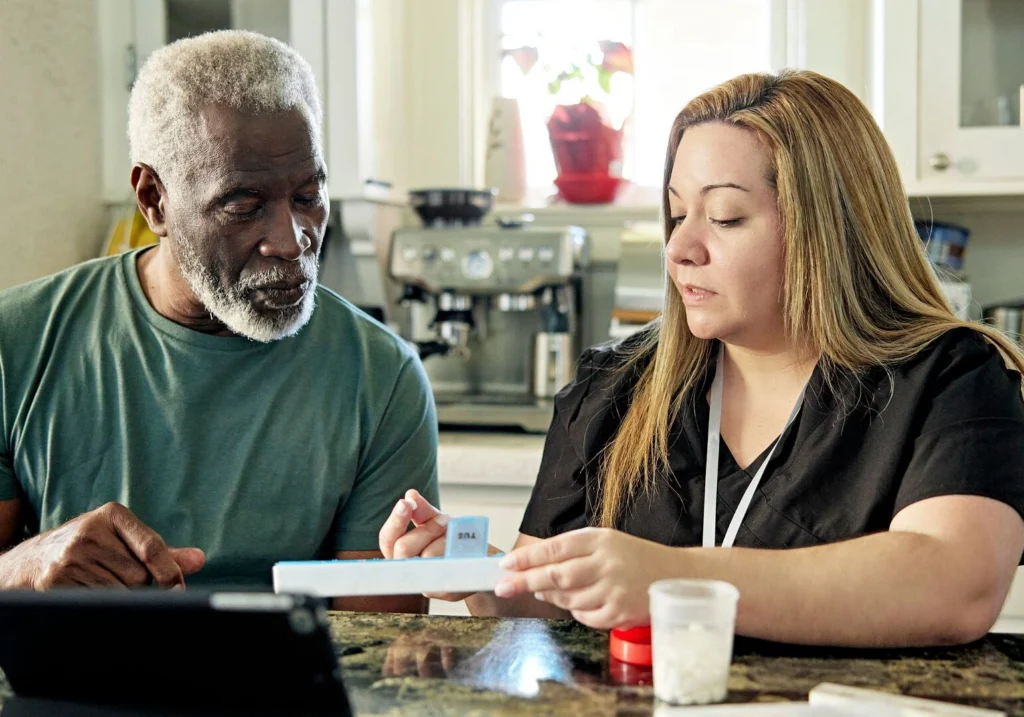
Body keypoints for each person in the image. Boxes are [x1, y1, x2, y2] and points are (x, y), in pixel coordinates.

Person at [380, 69, 1024, 646]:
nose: (680, 247)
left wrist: (666, 577)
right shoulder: (614, 386)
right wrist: (478, 574)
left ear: (830, 228)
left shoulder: (950, 378)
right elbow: (551, 611)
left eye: (724, 217)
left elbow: (954, 584)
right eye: (676, 213)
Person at [0, 30, 437, 613]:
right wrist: (27, 566)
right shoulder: (18, 343)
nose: (292, 240)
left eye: (309, 194)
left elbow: (377, 653)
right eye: (243, 204)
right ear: (154, 199)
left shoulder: (382, 377)